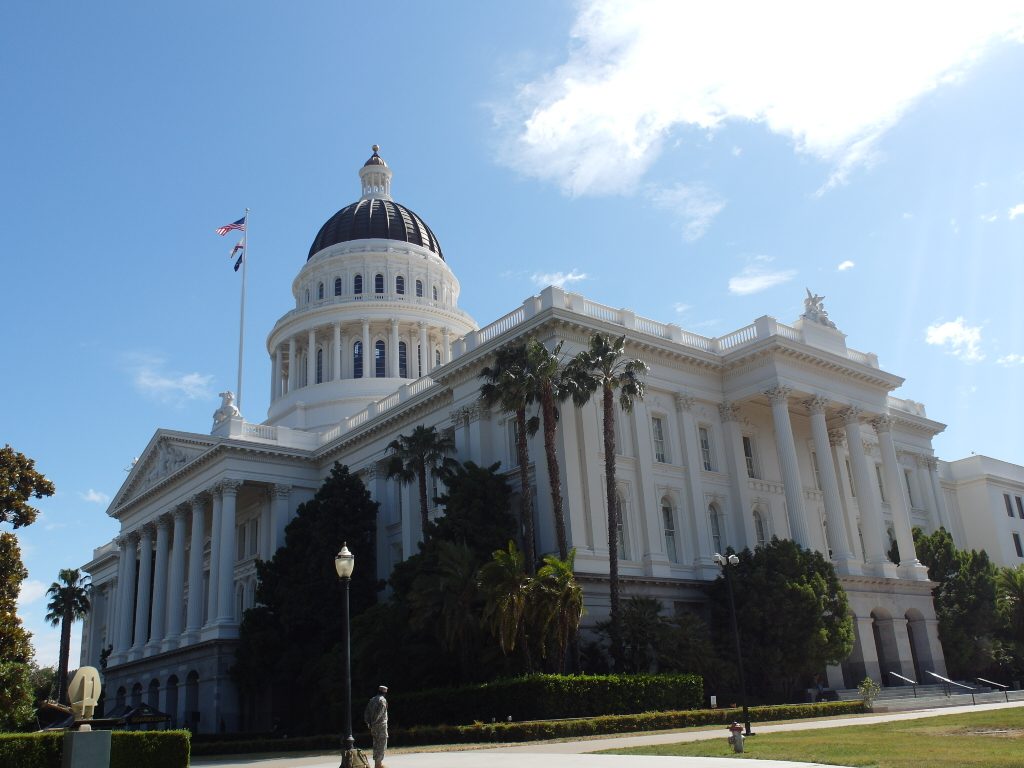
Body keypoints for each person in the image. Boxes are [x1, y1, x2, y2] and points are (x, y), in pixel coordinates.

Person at [364, 685, 388, 768]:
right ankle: (378, 764)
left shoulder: (372, 700)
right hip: (381, 726)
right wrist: (375, 722)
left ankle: (377, 764)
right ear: (385, 692)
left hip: (373, 727)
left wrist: (369, 723)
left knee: (375, 744)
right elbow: (380, 713)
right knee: (382, 744)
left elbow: (366, 713)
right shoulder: (382, 700)